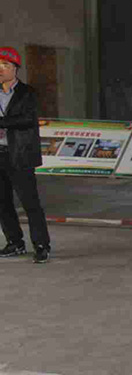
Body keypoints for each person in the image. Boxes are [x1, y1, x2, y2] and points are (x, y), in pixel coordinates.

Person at [0, 46, 51, 264]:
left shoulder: (27, 93)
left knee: (30, 202)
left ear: (15, 68)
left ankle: (41, 245)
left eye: (5, 65)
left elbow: (28, 119)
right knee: (2, 203)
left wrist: (2, 122)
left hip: (19, 154)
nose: (1, 69)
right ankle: (15, 242)